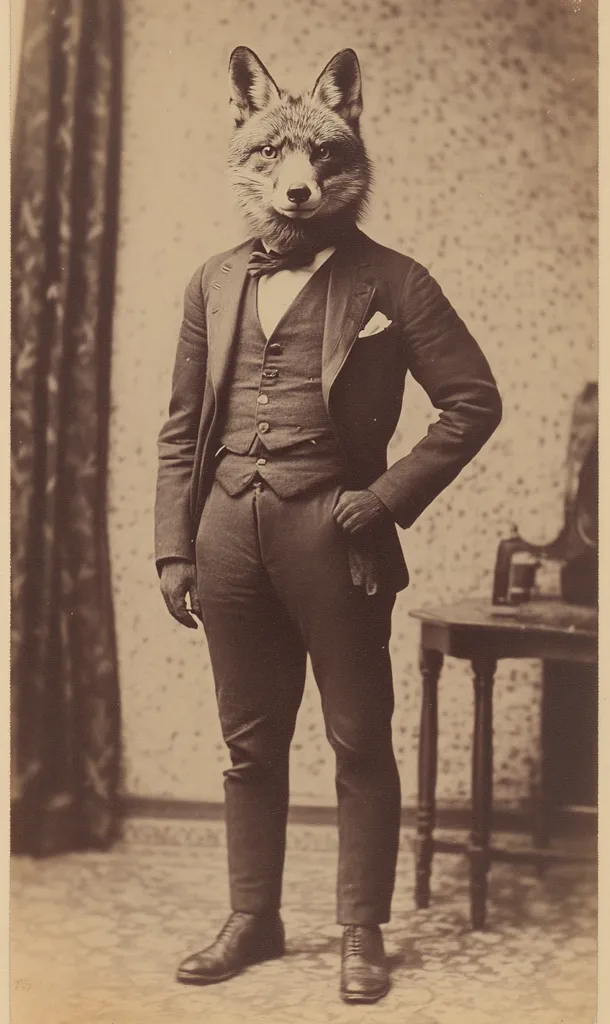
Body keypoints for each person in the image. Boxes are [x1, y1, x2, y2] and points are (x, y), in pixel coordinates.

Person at [155, 45, 502, 1004]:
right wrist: (174, 546)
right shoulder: (214, 282)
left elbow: (472, 401)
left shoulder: (394, 280)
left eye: (314, 157)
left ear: (345, 154)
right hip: (227, 533)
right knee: (249, 742)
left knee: (358, 738)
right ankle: (253, 917)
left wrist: (385, 500)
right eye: (271, 157)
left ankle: (361, 930)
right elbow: (183, 426)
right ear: (247, 149)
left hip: (334, 537)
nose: (294, 180)